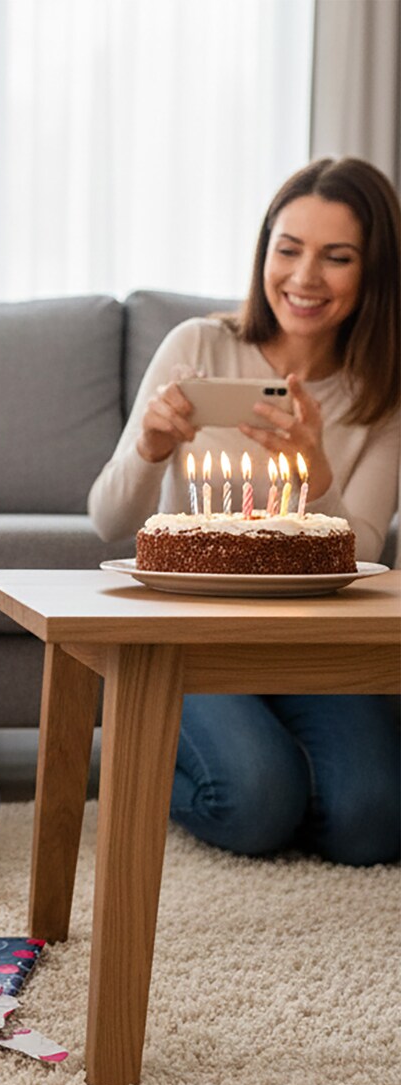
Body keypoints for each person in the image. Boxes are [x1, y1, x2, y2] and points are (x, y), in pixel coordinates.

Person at [88, 156, 400, 866]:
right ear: (264, 252)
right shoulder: (198, 345)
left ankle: (278, 771)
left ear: (374, 271)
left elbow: (365, 554)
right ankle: (145, 755)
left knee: (374, 823)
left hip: (310, 647)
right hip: (189, 636)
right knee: (256, 805)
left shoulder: (381, 392)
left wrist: (316, 469)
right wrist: (151, 448)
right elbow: (107, 520)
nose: (304, 277)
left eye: (337, 257)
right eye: (288, 249)